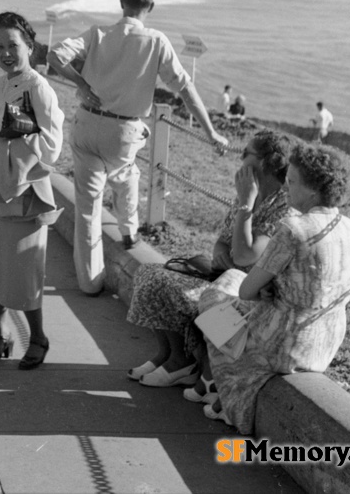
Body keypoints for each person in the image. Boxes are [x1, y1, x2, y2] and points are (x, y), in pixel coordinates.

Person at [47, 0, 228, 296]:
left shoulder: (97, 33)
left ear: (121, 3)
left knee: (89, 207)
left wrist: (84, 86)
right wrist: (211, 132)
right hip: (125, 131)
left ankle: (90, 283)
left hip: (88, 124)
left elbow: (55, 57)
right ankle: (129, 231)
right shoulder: (157, 40)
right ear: (151, 7)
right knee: (125, 172)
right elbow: (185, 88)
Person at [199, 143, 350, 431]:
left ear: (313, 190)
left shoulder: (293, 229)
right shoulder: (349, 226)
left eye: (292, 181)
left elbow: (248, 290)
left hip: (283, 345)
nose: (286, 188)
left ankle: (231, 396)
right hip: (324, 342)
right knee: (231, 283)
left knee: (213, 298)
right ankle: (225, 389)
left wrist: (264, 288)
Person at [125, 130, 292, 393]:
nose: (240, 159)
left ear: (264, 162)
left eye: (246, 153)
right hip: (224, 276)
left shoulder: (282, 204)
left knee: (165, 285)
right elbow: (224, 241)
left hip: (247, 292)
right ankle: (167, 354)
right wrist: (220, 251)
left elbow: (247, 255)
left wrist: (246, 205)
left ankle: (184, 364)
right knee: (150, 273)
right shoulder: (249, 193)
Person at [0, 12, 64, 370]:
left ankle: (37, 336)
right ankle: (1, 333)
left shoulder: (38, 87)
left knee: (23, 268)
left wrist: (13, 140)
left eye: (14, 45)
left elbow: (52, 145)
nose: (6, 53)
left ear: (30, 47)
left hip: (24, 187)